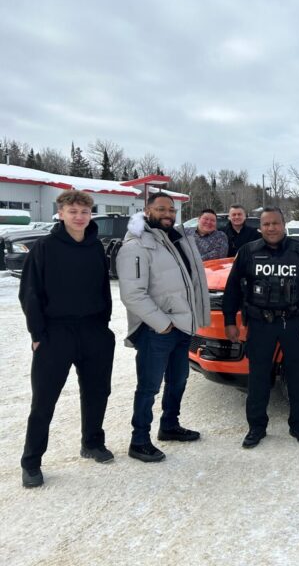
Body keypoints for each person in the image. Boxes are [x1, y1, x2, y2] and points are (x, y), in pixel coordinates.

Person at [18, 190, 115, 488]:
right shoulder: (45, 247)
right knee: (44, 400)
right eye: (72, 211)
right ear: (60, 213)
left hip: (93, 331)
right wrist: (37, 334)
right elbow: (30, 293)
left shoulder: (96, 248)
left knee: (98, 392)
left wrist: (103, 326)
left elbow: (103, 288)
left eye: (84, 212)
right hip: (55, 333)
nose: (79, 217)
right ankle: (31, 462)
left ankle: (92, 443)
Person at [116, 192, 211, 463]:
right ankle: (139, 440)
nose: (168, 213)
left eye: (171, 209)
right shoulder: (136, 246)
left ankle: (169, 425)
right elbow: (133, 294)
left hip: (182, 326)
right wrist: (163, 324)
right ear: (147, 211)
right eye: (161, 209)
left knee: (178, 380)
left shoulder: (175, 239)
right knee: (149, 387)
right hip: (157, 330)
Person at [222, 206, 299, 448]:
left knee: (298, 376)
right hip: (261, 324)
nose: (271, 228)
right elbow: (233, 289)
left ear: (284, 225)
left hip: (295, 323)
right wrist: (230, 321)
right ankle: (256, 428)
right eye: (266, 224)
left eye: (276, 223)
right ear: (260, 227)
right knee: (258, 378)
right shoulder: (248, 252)